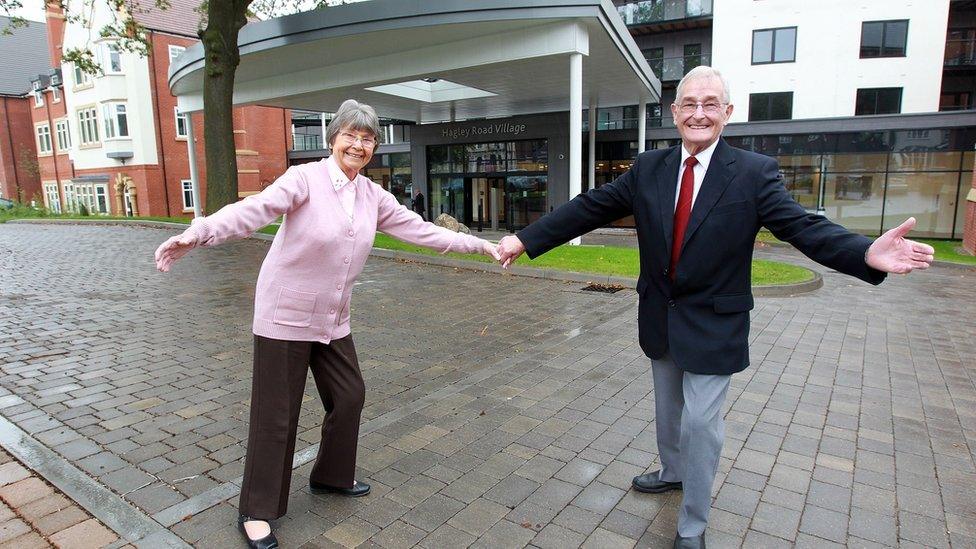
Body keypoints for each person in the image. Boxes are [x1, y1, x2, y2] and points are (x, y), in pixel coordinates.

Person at [496, 66, 934, 549]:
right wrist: (525, 238)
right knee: (668, 412)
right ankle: (672, 472)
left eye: (710, 104)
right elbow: (590, 206)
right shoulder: (648, 168)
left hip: (715, 323)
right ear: (675, 113)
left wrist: (864, 253)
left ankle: (692, 526)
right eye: (689, 104)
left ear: (727, 113)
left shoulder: (753, 173)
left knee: (702, 423)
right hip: (660, 315)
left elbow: (802, 227)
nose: (698, 113)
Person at [154, 99, 500, 549]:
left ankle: (331, 477)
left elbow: (422, 231)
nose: (358, 144)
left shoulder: (372, 196)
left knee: (349, 395)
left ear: (374, 146)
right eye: (350, 135)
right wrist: (198, 232)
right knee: (277, 417)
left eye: (368, 137)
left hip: (331, 319)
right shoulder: (304, 179)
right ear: (333, 138)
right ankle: (256, 511)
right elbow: (253, 210)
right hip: (284, 315)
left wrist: (479, 245)